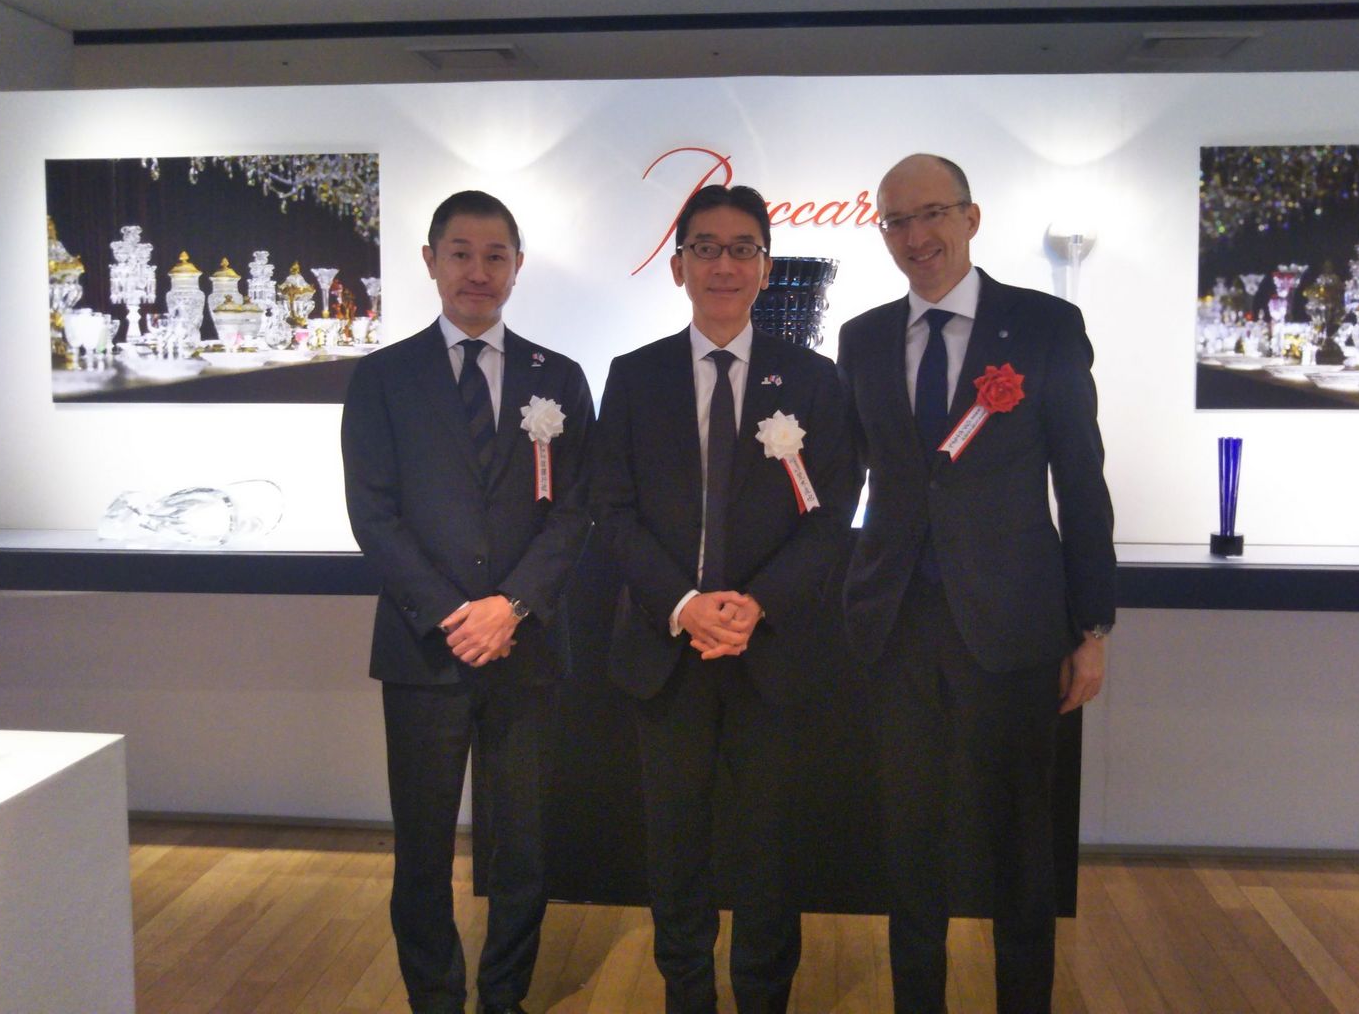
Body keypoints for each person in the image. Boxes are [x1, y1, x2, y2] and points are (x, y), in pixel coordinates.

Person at [837, 154, 1116, 1014]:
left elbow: (1081, 479)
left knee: (1020, 846)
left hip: (1014, 626)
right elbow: (847, 478)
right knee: (908, 845)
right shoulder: (862, 337)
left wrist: (1093, 628)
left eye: (932, 213)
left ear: (971, 217)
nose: (916, 236)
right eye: (896, 221)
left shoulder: (1043, 327)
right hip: (895, 627)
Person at [591, 184, 857, 1014]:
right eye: (705, 248)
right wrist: (684, 603)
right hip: (666, 648)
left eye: (743, 249)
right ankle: (687, 995)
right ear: (678, 267)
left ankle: (764, 998)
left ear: (766, 268)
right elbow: (612, 510)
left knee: (770, 849)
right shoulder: (633, 377)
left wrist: (755, 605)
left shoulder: (813, 379)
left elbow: (831, 515)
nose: (724, 265)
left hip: (770, 650)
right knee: (676, 848)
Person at [341, 190, 594, 1014]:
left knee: (523, 848)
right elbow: (373, 515)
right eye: (461, 254)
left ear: (518, 267)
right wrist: (460, 616)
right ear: (430, 261)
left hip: (527, 650)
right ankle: (435, 999)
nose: (477, 272)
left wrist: (510, 606)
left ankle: (504, 997)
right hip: (425, 649)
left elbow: (576, 512)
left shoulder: (560, 378)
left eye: (495, 256)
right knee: (421, 849)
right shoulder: (382, 377)